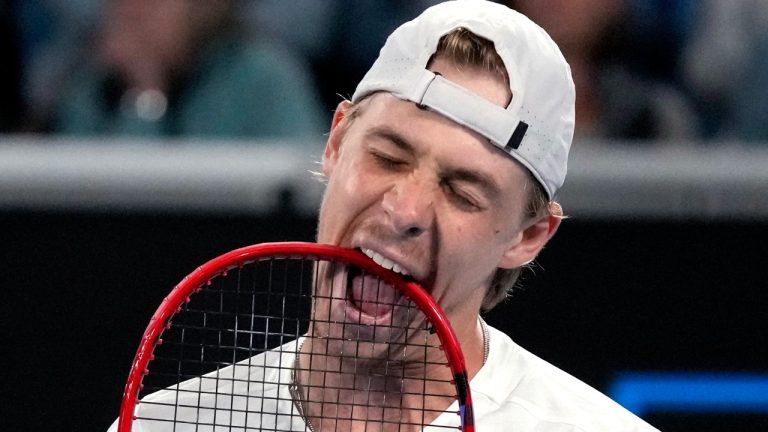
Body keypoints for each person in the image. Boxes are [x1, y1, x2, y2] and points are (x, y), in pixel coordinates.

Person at [110, 1, 659, 430]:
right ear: (336, 140)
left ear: (528, 236)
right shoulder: (160, 426)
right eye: (387, 157)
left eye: (462, 192)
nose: (405, 210)